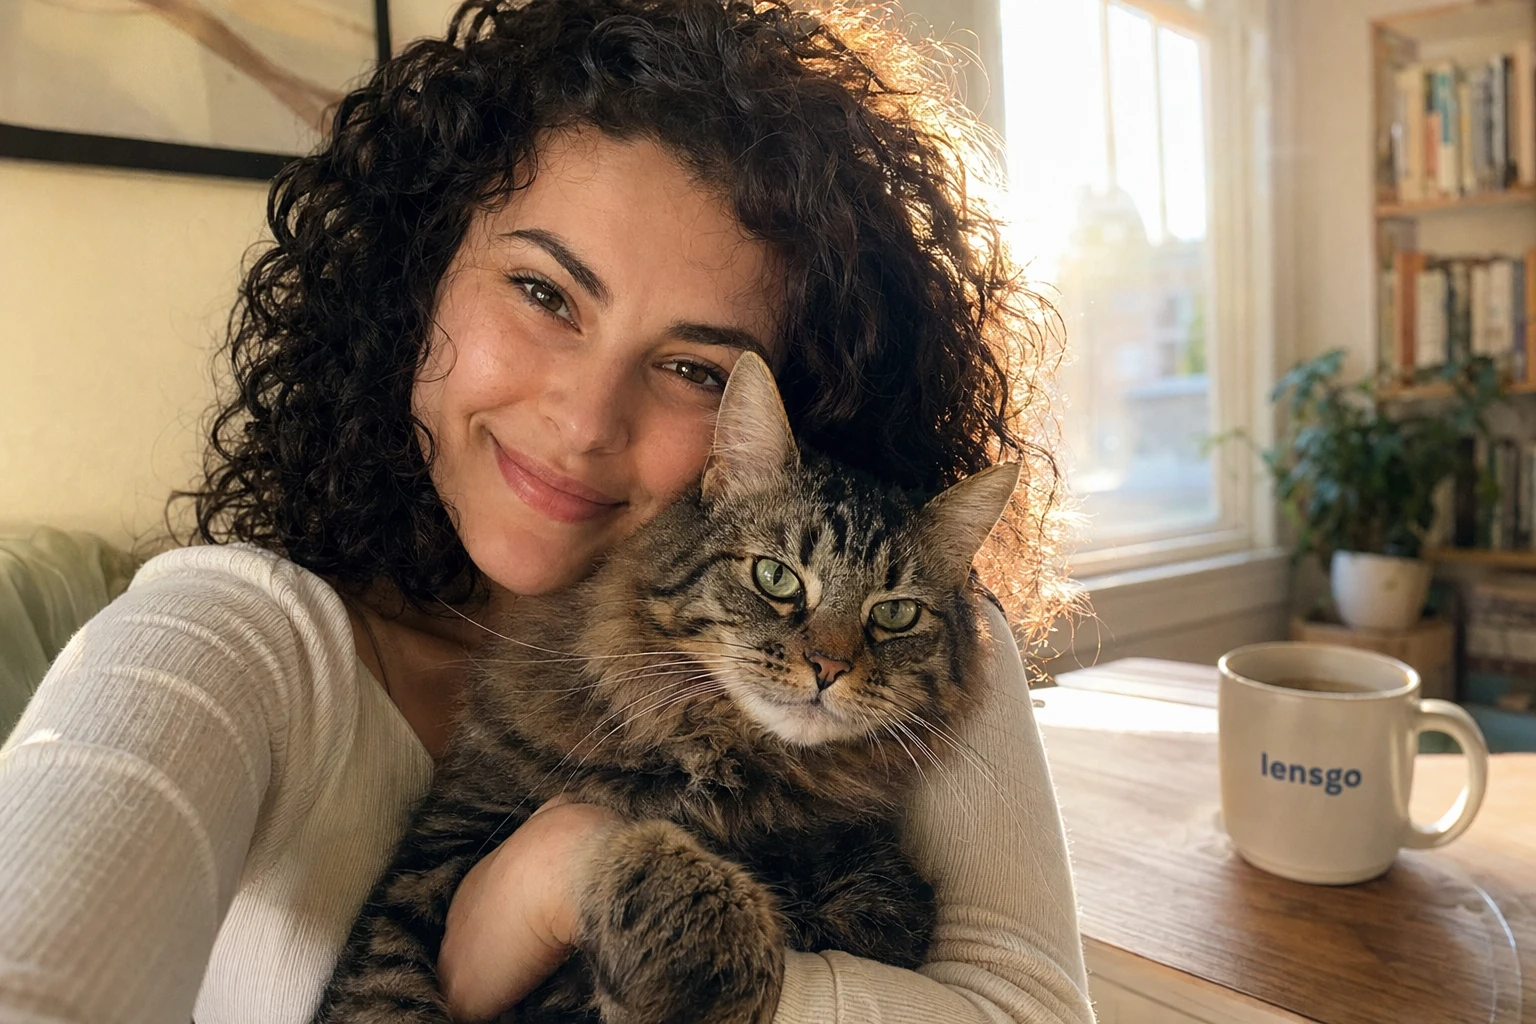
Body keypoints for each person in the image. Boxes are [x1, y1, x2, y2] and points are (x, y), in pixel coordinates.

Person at [0, 1, 1094, 1022]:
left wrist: (569, 885)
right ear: (419, 271)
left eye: (698, 368)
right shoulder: (240, 635)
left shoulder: (926, 633)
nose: (582, 422)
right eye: (543, 294)